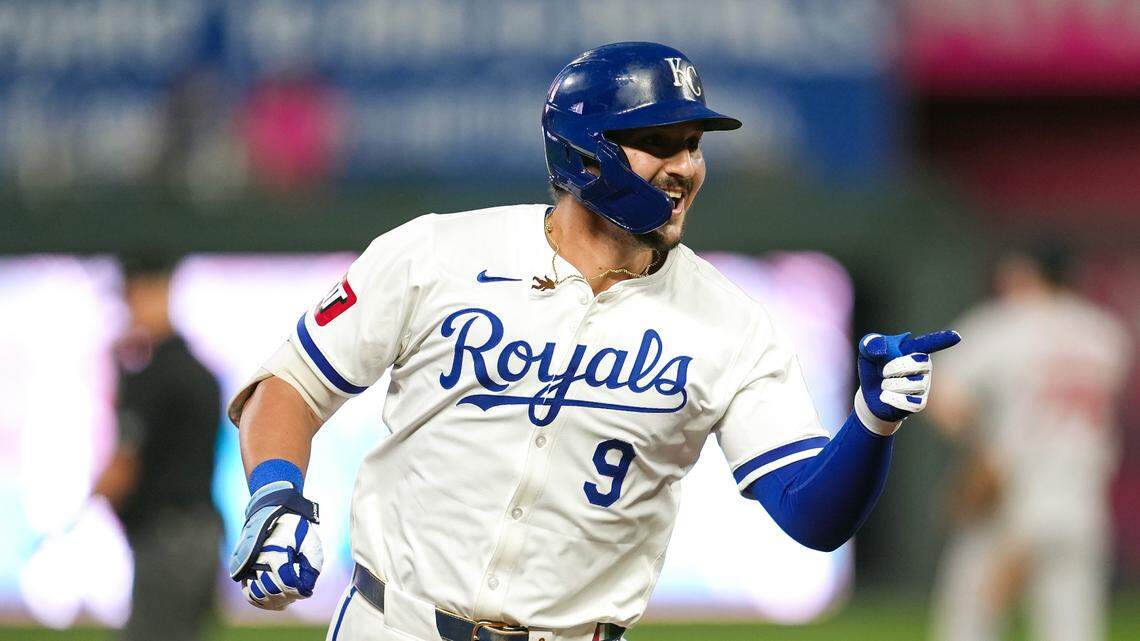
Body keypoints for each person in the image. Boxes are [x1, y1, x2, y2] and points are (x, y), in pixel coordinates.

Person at [225, 42, 960, 641]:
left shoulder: (732, 323)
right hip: (395, 626)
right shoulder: (437, 253)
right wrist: (276, 495)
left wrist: (872, 422)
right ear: (583, 154)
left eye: (694, 145)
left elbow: (812, 513)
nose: (685, 166)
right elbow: (289, 384)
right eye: (656, 143)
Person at [929, 245, 1132, 641]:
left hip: (1011, 496)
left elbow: (943, 397)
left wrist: (979, 448)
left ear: (1023, 272)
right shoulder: (1106, 333)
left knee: (970, 621)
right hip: (1079, 501)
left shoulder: (1004, 325)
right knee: (1073, 629)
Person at [93, 254, 224, 641]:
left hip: (167, 541)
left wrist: (87, 504)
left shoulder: (153, 378)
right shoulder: (203, 374)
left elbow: (122, 468)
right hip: (205, 536)